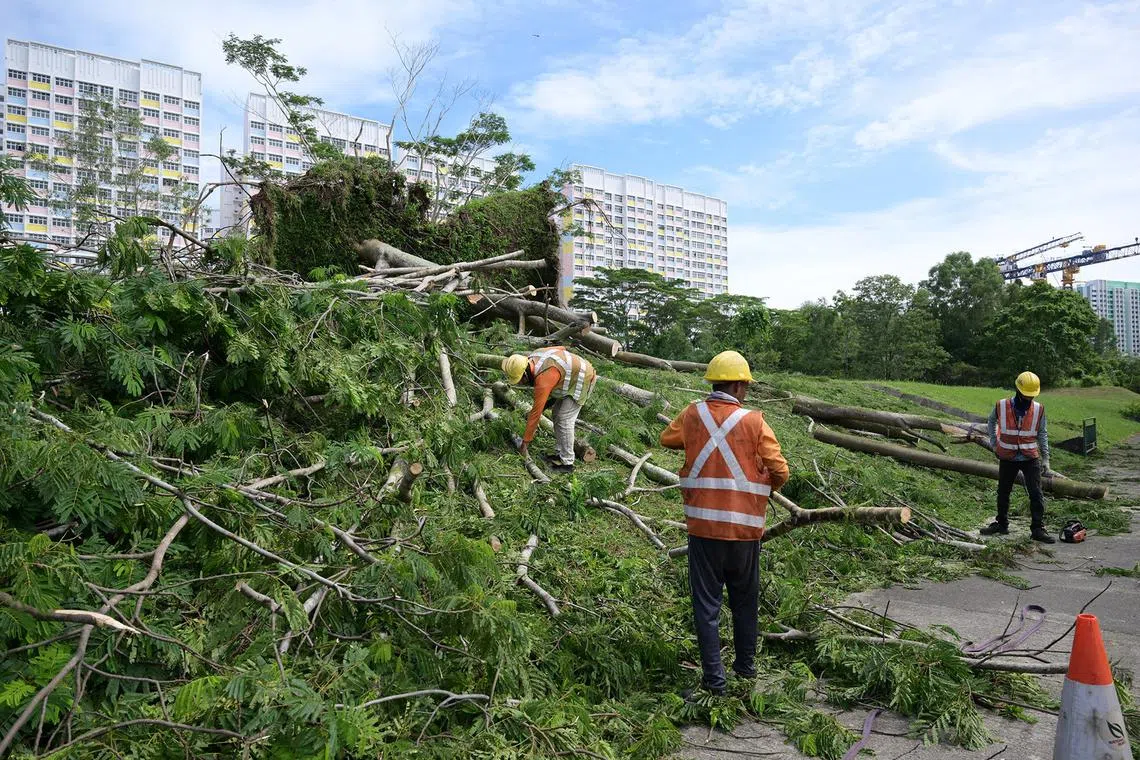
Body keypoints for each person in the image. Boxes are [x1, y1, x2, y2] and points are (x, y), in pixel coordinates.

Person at [660, 350, 789, 697]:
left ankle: (714, 683)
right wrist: (762, 489)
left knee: (707, 607)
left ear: (714, 383)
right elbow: (781, 471)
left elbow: (666, 439)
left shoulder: (692, 414)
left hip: (704, 532)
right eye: (745, 385)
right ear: (738, 385)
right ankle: (746, 671)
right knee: (745, 602)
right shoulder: (755, 422)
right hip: (745, 534)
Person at [981, 371, 1055, 543]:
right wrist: (994, 443)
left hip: (1030, 457)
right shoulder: (1001, 405)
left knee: (1036, 493)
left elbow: (1042, 434)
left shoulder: (1039, 409)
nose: (1028, 399)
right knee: (1003, 491)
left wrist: (1046, 459)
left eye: (1031, 396)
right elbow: (991, 422)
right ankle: (1001, 523)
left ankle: (1037, 528)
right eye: (1025, 395)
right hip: (1007, 456)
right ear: (1018, 390)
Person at [501, 347, 596, 473]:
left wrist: (525, 443)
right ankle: (560, 453)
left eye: (521, 381)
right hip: (571, 377)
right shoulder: (535, 355)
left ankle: (567, 463)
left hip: (584, 378)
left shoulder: (543, 378)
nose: (521, 384)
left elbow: (536, 413)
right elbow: (561, 348)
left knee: (564, 418)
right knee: (556, 413)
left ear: (525, 373)